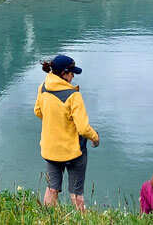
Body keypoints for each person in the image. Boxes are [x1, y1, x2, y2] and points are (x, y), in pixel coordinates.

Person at [34, 54, 100, 211]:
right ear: (64, 73)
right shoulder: (73, 96)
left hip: (50, 149)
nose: (73, 76)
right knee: (76, 192)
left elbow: (37, 111)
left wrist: (54, 118)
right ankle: (82, 219)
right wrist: (95, 137)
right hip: (72, 151)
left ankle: (47, 217)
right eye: (72, 73)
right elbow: (83, 128)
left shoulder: (43, 88)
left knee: (52, 188)